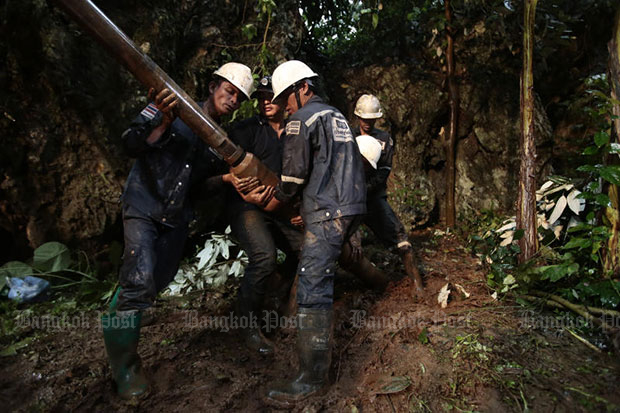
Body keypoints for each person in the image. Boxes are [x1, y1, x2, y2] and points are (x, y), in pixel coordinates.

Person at [101, 62, 254, 399]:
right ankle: (126, 369)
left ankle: (116, 314)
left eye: (239, 99)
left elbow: (198, 187)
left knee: (157, 281)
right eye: (229, 92)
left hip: (176, 216)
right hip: (144, 204)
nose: (232, 101)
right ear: (213, 86)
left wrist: (227, 178)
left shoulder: (218, 141)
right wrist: (161, 124)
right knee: (139, 283)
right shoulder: (174, 105)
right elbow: (130, 143)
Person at [247, 60, 367, 405]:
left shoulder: (301, 120)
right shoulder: (338, 117)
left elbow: (294, 176)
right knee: (319, 276)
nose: (283, 105)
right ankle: (311, 371)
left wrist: (276, 198)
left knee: (313, 287)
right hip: (352, 208)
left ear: (302, 89)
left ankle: (312, 378)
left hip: (327, 212)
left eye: (286, 97)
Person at [225, 75, 304, 355]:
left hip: (283, 208)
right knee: (263, 256)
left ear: (284, 98)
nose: (266, 101)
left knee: (307, 251)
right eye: (261, 97)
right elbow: (229, 165)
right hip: (248, 207)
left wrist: (300, 209)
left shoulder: (297, 130)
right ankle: (248, 326)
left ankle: (276, 295)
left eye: (272, 95)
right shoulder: (245, 129)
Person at [352, 94, 424, 294]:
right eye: (364, 119)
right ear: (358, 117)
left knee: (401, 239)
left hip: (374, 199)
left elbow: (383, 173)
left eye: (371, 119)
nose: (367, 123)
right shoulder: (348, 136)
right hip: (349, 200)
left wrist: (364, 190)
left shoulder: (384, 140)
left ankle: (418, 286)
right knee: (342, 243)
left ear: (377, 119)